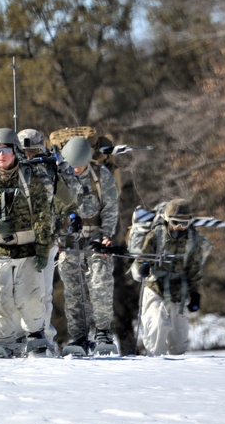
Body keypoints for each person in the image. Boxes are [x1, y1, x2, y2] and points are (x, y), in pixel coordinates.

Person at [0, 128, 54, 357]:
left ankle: (36, 336)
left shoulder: (31, 179)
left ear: (15, 151)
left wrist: (43, 249)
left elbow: (44, 215)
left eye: (5, 150)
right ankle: (3, 343)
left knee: (32, 297)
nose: (1, 155)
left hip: (28, 251)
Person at [55, 136, 120, 355]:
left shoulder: (101, 176)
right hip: (68, 241)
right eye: (71, 165)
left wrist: (106, 235)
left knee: (101, 286)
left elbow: (111, 207)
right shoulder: (58, 176)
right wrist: (57, 237)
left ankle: (103, 331)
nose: (75, 169)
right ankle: (78, 336)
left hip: (95, 238)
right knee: (73, 292)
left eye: (79, 165)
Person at [136, 199, 211, 356]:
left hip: (179, 290)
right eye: (176, 222)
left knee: (179, 340)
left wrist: (195, 293)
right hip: (155, 285)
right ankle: (154, 363)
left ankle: (177, 373)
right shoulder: (156, 235)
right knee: (157, 324)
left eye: (185, 223)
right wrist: (143, 266)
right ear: (167, 220)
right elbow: (143, 258)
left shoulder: (193, 240)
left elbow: (194, 268)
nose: (180, 227)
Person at [17, 128, 59, 343]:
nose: (28, 157)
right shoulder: (10, 169)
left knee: (43, 292)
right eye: (24, 153)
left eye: (33, 152)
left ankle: (44, 337)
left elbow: (54, 194)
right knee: (15, 292)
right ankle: (17, 337)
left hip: (45, 239)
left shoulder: (50, 169)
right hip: (17, 239)